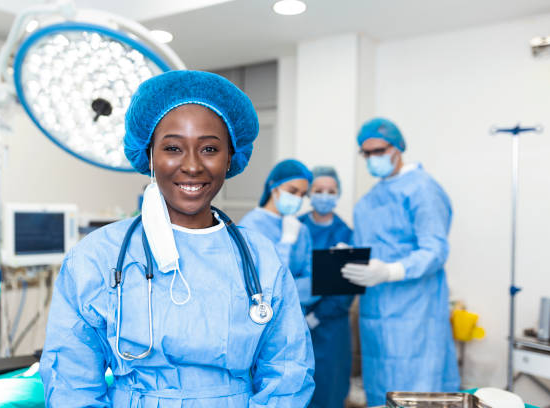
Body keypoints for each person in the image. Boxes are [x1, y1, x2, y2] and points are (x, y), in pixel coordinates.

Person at [40, 70, 315, 407]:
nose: (192, 166)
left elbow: (288, 374)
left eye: (209, 148)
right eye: (173, 148)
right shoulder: (97, 257)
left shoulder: (260, 259)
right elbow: (71, 382)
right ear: (149, 155)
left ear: (230, 158)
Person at [341, 118, 459, 406]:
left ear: (397, 148)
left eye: (378, 151)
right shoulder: (369, 200)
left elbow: (435, 250)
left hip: (415, 316)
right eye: (366, 154)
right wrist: (347, 254)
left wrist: (391, 271)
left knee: (417, 393)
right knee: (381, 393)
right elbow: (371, 249)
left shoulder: (422, 189)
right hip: (375, 317)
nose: (372, 159)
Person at [298, 166, 354, 408]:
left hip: (332, 328)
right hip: (294, 322)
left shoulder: (346, 234)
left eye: (330, 191)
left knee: (329, 390)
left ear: (338, 194)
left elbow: (346, 287)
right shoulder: (295, 228)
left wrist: (317, 316)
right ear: (309, 193)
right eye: (318, 190)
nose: (324, 195)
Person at [239, 159, 316, 309]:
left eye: (302, 194)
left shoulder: (301, 229)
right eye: (293, 191)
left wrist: (286, 288)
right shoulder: (250, 226)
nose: (298, 199)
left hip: (298, 317)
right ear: (273, 187)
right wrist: (286, 243)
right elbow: (263, 284)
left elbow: (313, 284)